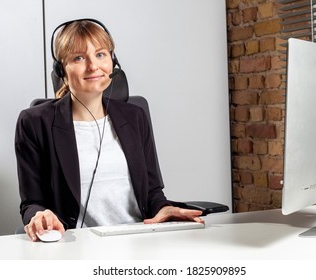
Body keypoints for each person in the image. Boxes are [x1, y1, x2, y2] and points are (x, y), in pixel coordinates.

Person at [15, 19, 203, 242]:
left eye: (101, 54)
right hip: (76, 246)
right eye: (78, 57)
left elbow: (152, 192)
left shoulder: (135, 117)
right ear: (61, 69)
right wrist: (39, 215)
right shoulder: (35, 123)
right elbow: (31, 203)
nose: (93, 66)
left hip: (139, 241)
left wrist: (164, 208)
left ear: (112, 61)